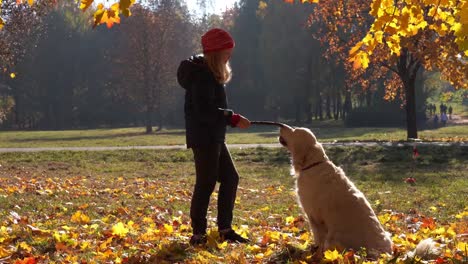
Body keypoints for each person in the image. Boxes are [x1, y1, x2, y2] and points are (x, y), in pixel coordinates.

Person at [177, 28, 251, 246]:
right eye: (227, 52)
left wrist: (230, 118)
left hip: (213, 136)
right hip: (204, 137)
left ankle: (225, 230)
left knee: (230, 178)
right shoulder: (202, 75)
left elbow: (212, 109)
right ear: (217, 53)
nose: (230, 56)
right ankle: (198, 234)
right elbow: (205, 111)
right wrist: (233, 118)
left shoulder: (209, 73)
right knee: (206, 183)